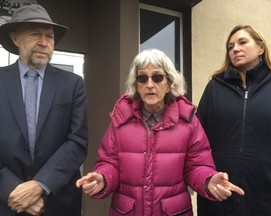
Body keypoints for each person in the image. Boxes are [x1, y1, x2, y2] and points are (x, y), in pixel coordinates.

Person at [76, 49, 244, 215]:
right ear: (136, 85)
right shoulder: (121, 120)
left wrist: (208, 180)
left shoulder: (188, 121)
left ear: (170, 83)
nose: (150, 85)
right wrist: (103, 178)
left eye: (157, 77)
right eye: (142, 78)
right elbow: (109, 162)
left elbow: (197, 165)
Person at [0, 4, 88, 216]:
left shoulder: (73, 84)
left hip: (58, 202)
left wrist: (40, 185)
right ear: (15, 38)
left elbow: (77, 142)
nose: (43, 42)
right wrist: (11, 188)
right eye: (35, 34)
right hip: (7, 202)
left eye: (49, 36)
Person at [196, 24, 271, 216]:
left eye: (242, 42)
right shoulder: (214, 88)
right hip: (220, 199)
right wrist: (207, 179)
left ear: (261, 47)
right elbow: (197, 142)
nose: (235, 49)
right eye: (230, 46)